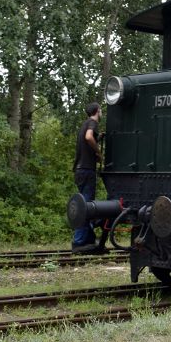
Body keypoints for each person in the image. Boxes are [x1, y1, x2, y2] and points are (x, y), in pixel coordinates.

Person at [71, 102, 106, 252]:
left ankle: (89, 240)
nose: (101, 112)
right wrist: (98, 152)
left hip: (80, 170)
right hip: (86, 170)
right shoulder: (93, 123)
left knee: (86, 205)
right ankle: (79, 242)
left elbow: (88, 139)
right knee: (86, 208)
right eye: (101, 110)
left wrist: (99, 137)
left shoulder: (84, 124)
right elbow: (89, 137)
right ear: (97, 111)